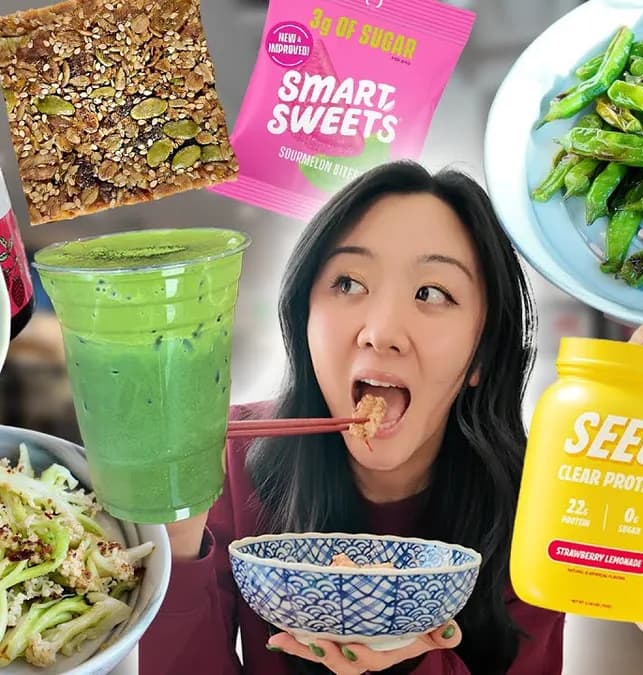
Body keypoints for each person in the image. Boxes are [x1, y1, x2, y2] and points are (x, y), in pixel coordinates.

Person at [138, 160, 565, 674]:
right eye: (348, 283)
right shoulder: (223, 456)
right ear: (304, 319)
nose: (380, 332)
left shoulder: (538, 511)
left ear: (481, 353)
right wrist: (176, 548)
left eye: (432, 293)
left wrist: (409, 668)